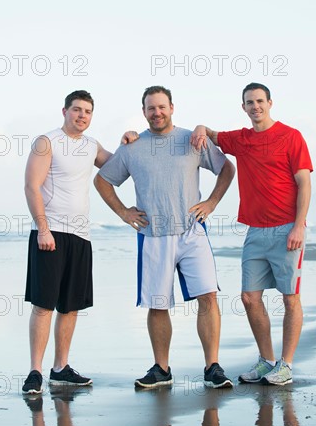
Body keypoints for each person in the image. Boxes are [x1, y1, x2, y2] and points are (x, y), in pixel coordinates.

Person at [94, 85, 236, 389]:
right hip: (153, 234)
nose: (156, 112)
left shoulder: (192, 140)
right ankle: (161, 369)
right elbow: (103, 180)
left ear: (172, 107)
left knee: (208, 296)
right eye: (150, 108)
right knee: (157, 304)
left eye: (161, 107)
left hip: (192, 232)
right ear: (143, 111)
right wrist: (123, 212)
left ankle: (212, 367)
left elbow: (227, 169)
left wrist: (211, 203)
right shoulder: (132, 147)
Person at [191, 82, 313, 386]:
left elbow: (304, 183)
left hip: (287, 229)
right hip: (255, 231)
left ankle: (286, 365)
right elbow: (212, 134)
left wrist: (299, 225)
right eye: (249, 102)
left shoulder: (291, 136)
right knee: (249, 297)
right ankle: (266, 360)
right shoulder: (241, 140)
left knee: (290, 298)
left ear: (270, 103)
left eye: (260, 101)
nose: (255, 106)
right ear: (243, 107)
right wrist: (199, 126)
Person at [22, 90, 112, 394]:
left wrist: (131, 140)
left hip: (80, 236)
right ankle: (35, 371)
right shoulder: (47, 142)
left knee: (70, 307)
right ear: (65, 111)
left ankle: (60, 368)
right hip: (50, 234)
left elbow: (118, 168)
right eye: (77, 110)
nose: (82, 115)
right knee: (43, 305)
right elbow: (31, 186)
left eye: (87, 111)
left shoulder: (91, 146)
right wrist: (43, 229)